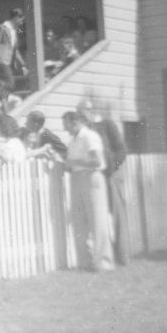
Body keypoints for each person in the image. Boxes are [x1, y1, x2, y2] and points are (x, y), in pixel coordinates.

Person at [77, 99, 129, 266]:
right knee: (98, 217)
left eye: (85, 110)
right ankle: (105, 256)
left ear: (91, 111)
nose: (82, 114)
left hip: (111, 174)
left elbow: (121, 149)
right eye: (80, 111)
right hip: (95, 177)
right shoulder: (84, 130)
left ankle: (122, 255)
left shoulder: (107, 125)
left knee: (117, 215)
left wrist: (110, 168)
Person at [63, 111, 114, 272]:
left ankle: (103, 263)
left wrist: (72, 161)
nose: (65, 129)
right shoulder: (73, 141)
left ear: (75, 123)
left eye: (67, 125)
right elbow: (72, 163)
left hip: (92, 178)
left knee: (97, 222)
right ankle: (85, 263)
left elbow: (97, 161)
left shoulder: (89, 136)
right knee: (80, 223)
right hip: (77, 179)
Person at [0, 8, 28, 90]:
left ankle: (1, 94)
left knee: (13, 84)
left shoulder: (14, 31)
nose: (22, 21)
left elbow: (15, 50)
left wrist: (23, 64)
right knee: (11, 83)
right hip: (2, 61)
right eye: (21, 18)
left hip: (11, 63)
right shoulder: (2, 28)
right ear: (15, 18)